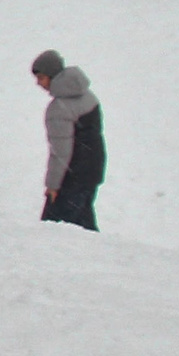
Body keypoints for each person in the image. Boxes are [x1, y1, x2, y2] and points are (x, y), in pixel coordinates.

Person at [32, 51, 104, 229]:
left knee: (54, 229)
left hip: (72, 176)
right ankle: (101, 255)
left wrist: (52, 186)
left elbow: (60, 153)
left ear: (52, 76)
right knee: (83, 224)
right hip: (93, 169)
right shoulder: (87, 95)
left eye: (41, 77)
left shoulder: (59, 109)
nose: (38, 83)